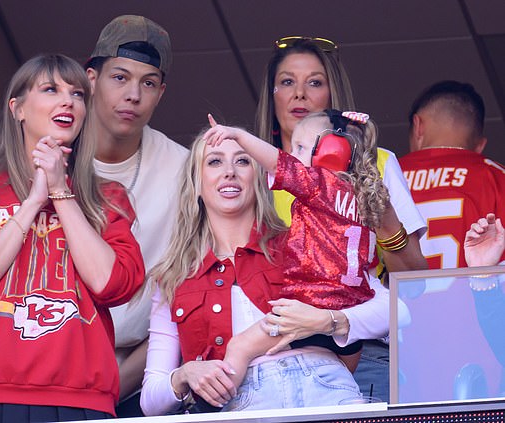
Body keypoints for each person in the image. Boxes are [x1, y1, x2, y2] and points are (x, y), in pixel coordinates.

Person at [0, 54, 145, 421]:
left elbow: (111, 283)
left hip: (82, 399)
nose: (68, 101)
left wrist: (62, 192)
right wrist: (33, 201)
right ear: (18, 109)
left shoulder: (108, 196)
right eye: (51, 90)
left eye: (78, 94)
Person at [140, 132, 391, 415]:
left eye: (243, 161)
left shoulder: (303, 240)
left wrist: (329, 321)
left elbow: (393, 309)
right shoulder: (173, 276)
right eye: (214, 162)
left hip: (325, 384)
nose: (230, 172)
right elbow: (151, 400)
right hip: (242, 402)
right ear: (196, 183)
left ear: (259, 178)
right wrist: (185, 374)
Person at [254, 36, 428, 402]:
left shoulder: (376, 161)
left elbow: (414, 281)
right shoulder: (249, 170)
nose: (299, 94)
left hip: (366, 349)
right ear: (272, 96)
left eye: (314, 82)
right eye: (287, 82)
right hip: (272, 354)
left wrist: (384, 223)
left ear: (334, 95)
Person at [204, 110, 395, 378]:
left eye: (301, 148)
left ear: (331, 152)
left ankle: (212, 404)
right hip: (349, 330)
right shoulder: (365, 200)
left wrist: (239, 136)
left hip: (308, 307)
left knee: (239, 347)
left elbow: (277, 163)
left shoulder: (319, 186)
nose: (292, 155)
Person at [83, 15, 189, 417]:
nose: (133, 95)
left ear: (161, 92)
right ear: (91, 78)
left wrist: (117, 386)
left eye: (148, 83)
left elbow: (187, 295)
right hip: (51, 368)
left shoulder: (185, 170)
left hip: (141, 375)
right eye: (120, 77)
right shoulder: (50, 159)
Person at [400, 80, 505, 269]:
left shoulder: (382, 177)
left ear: (418, 126)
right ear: (480, 145)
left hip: (398, 299)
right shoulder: (498, 179)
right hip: (476, 298)